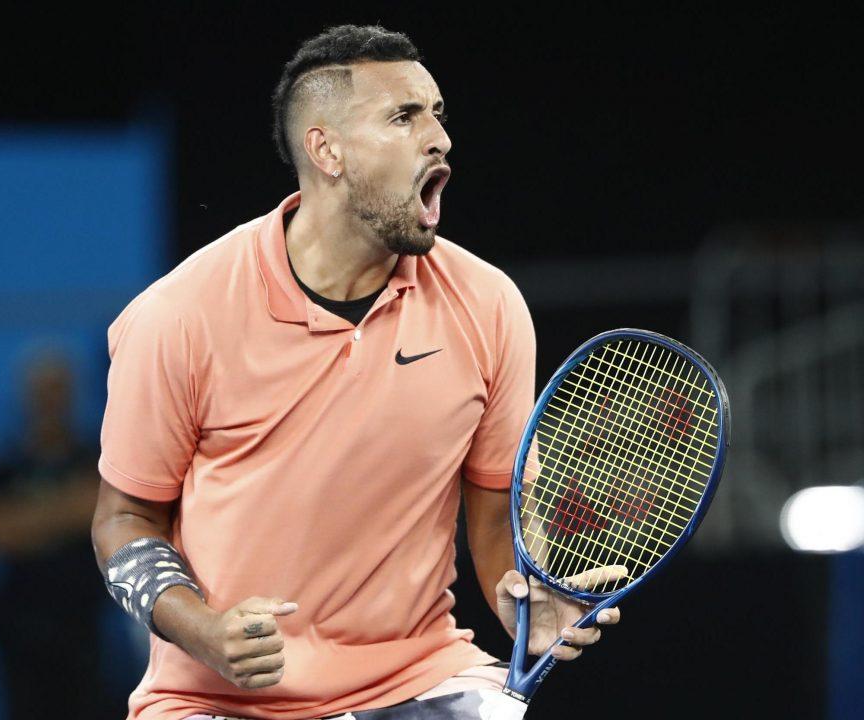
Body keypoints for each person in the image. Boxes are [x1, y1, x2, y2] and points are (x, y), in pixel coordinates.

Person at [91, 24, 623, 720]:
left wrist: (528, 598)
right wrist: (206, 632)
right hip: (218, 700)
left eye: (438, 115)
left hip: (417, 680)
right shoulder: (180, 315)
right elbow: (125, 518)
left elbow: (497, 518)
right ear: (327, 151)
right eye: (404, 117)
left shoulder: (488, 305)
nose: (440, 139)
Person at [0, 351, 127, 720]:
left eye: (57, 390)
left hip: (85, 617)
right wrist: (69, 508)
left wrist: (27, 519)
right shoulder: (3, 466)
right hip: (19, 620)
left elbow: (101, 506)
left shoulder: (97, 457)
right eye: (40, 391)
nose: (49, 401)